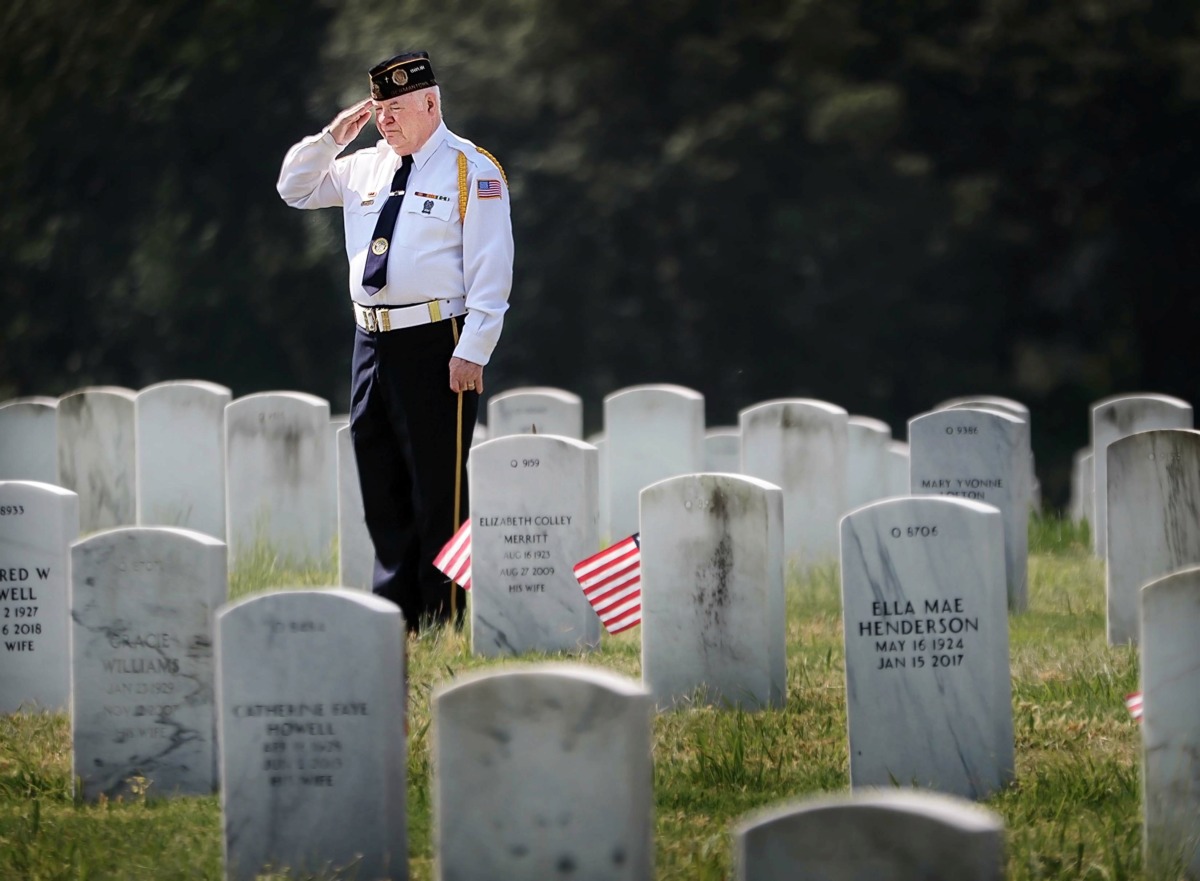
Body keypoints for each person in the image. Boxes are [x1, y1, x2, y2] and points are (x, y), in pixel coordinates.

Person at [277, 51, 513, 631]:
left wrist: (474, 349)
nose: (385, 119)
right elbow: (293, 188)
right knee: (380, 480)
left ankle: (445, 617)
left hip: (437, 340)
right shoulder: (363, 167)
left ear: (431, 104)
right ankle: (397, 617)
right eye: (379, 108)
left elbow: (492, 265)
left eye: (397, 108)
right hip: (371, 342)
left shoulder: (470, 169)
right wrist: (332, 137)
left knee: (438, 487)